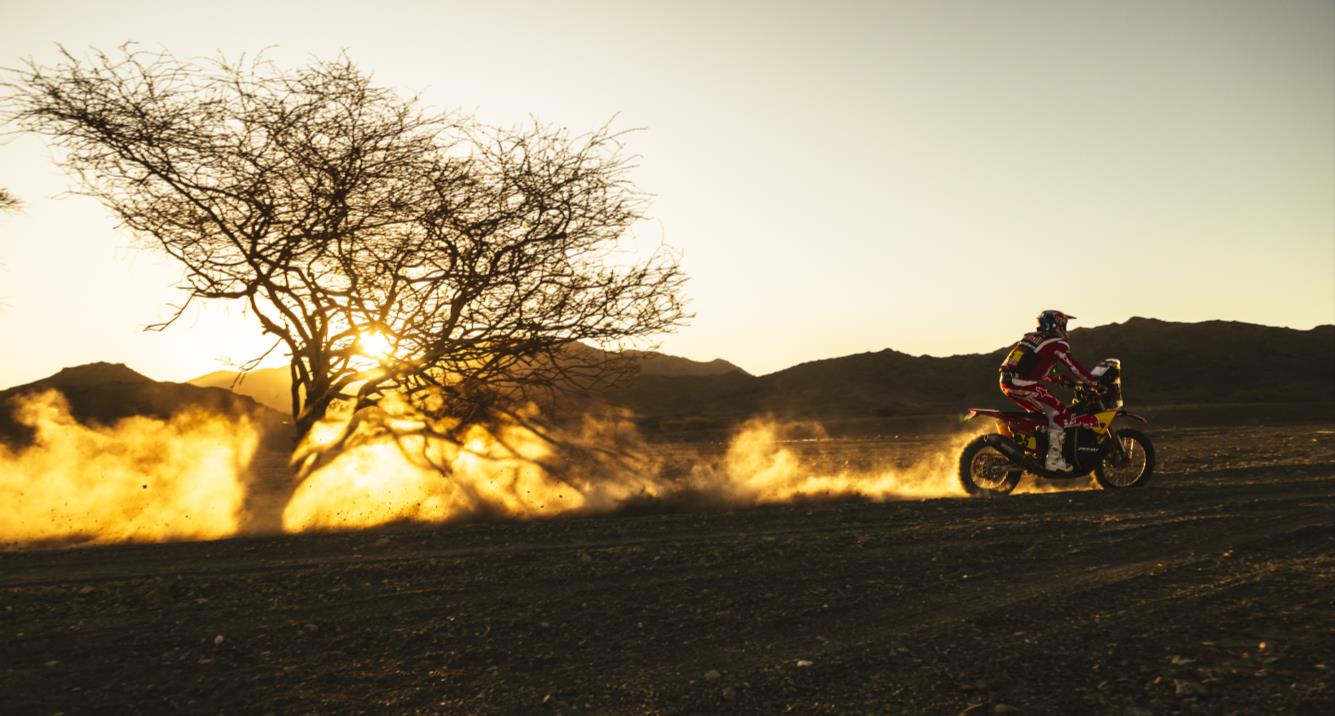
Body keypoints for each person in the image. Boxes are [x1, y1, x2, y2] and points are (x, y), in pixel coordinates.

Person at [998, 310, 1100, 471]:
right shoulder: (1057, 343)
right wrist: (1093, 382)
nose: (1064, 329)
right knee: (1059, 413)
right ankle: (1054, 460)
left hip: (1007, 381)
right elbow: (1072, 366)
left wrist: (1056, 379)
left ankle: (1033, 451)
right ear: (1055, 324)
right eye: (1063, 325)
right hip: (1022, 382)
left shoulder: (1030, 338)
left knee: (1041, 416)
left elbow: (1028, 364)